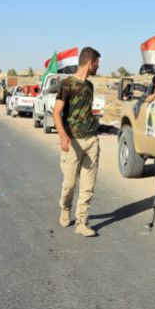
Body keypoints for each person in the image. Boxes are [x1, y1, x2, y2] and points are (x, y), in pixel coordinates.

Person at [52, 47, 101, 237]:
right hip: (73, 142)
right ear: (90, 63)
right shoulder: (67, 84)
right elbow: (57, 112)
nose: (98, 66)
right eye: (97, 62)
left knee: (88, 184)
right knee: (69, 184)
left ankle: (82, 221)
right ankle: (65, 207)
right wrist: (63, 136)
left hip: (91, 140)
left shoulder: (89, 86)